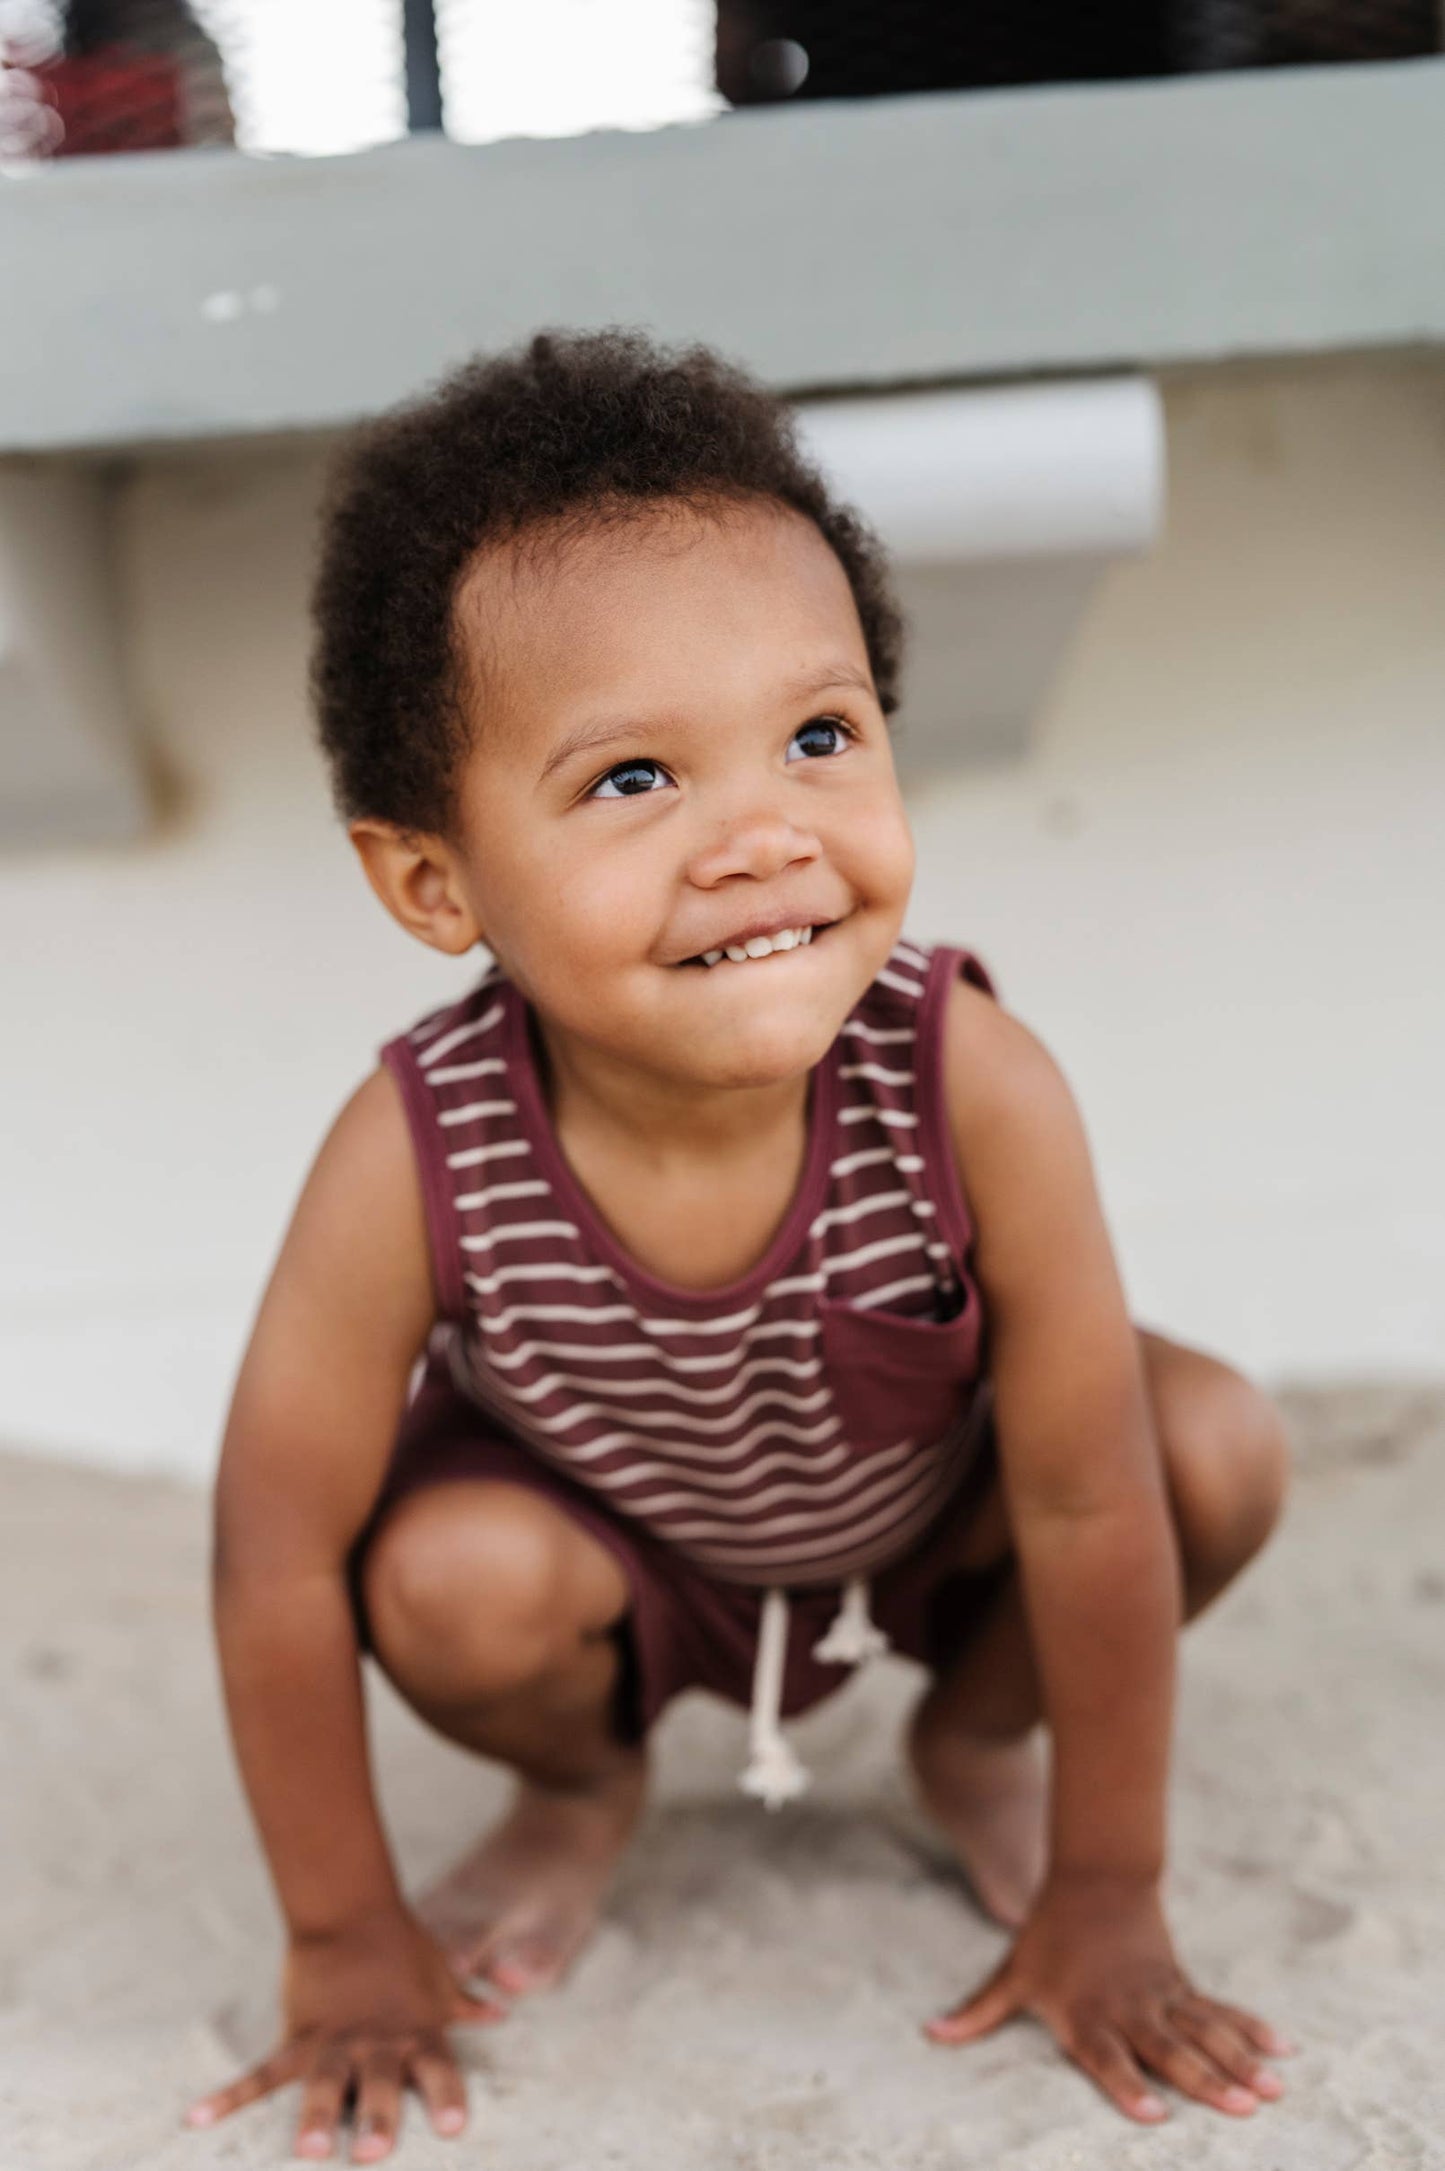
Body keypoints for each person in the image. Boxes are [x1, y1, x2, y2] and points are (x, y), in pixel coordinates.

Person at [185, 330, 1293, 2163]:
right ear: (432, 883)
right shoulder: (418, 1144)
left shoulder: (970, 1082)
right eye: (633, 781)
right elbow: (273, 1551)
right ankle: (584, 1788)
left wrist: (1112, 1884)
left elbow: (1092, 1504)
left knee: (1209, 1448)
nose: (762, 834)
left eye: (816, 735)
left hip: (933, 1533)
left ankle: (968, 1750)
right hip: (608, 1564)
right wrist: (340, 1934)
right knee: (440, 1576)